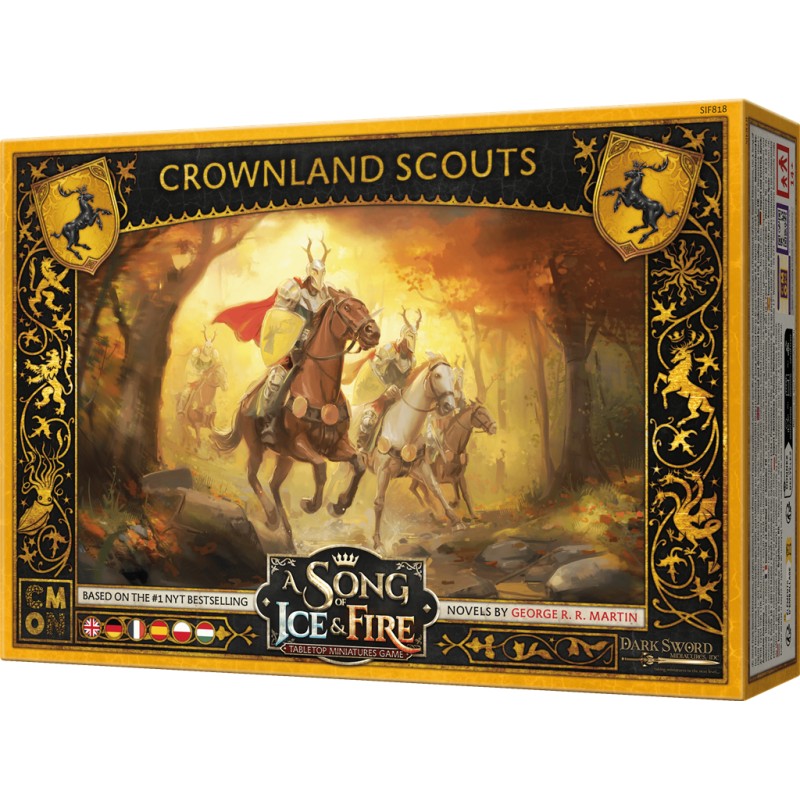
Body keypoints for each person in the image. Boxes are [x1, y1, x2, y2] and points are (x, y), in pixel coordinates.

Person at [213, 237, 335, 444]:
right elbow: (278, 321)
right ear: (309, 271)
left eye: (321, 272)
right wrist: (291, 342)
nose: (319, 277)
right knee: (278, 377)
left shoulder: (328, 294)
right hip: (292, 350)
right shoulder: (293, 290)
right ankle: (268, 423)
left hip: (316, 351)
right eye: (315, 272)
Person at [356, 308, 421, 452]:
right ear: (402, 338)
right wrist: (385, 390)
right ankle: (361, 448)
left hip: (397, 397)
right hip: (380, 393)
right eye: (406, 341)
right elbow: (374, 372)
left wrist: (400, 393)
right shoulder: (388, 349)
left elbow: (407, 381)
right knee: (369, 420)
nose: (406, 346)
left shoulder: (412, 361)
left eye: (411, 342)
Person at [177, 327, 220, 416]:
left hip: (205, 379)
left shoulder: (213, 354)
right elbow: (191, 364)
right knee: (186, 392)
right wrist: (197, 373)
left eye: (210, 347)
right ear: (204, 346)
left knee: (211, 397)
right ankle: (180, 410)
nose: (208, 349)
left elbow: (215, 366)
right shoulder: (197, 352)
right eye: (207, 347)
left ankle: (212, 416)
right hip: (194, 377)